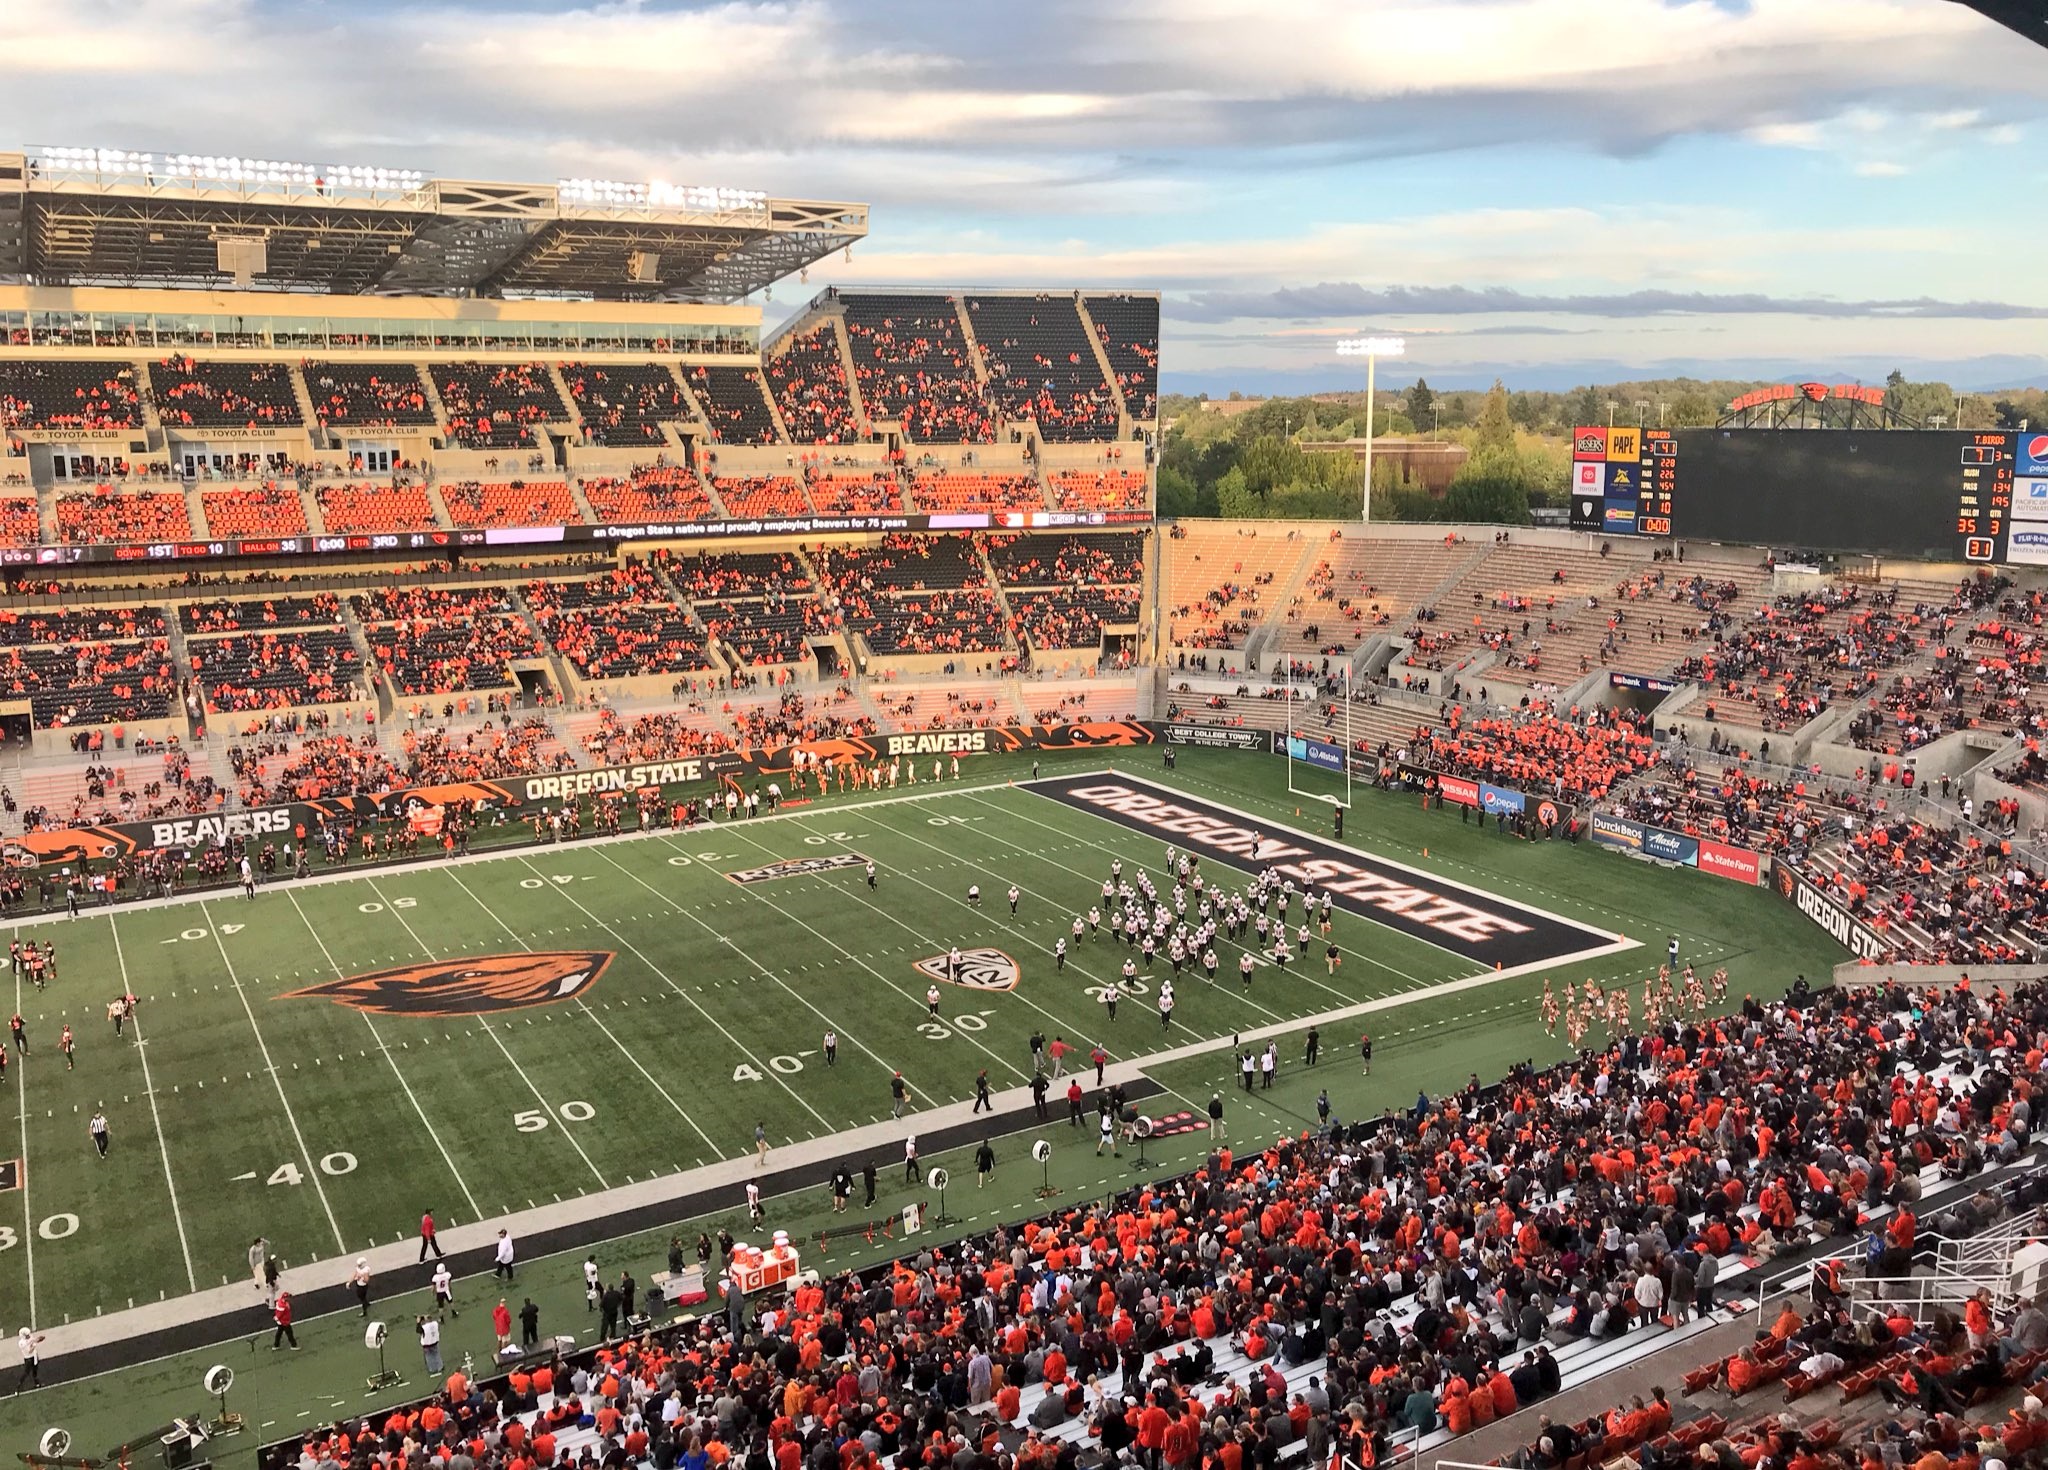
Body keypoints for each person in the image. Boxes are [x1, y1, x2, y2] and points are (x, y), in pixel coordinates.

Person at [15, 1326, 43, 1391]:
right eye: (27, 1335)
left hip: (34, 1356)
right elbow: (29, 1351)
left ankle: (37, 1383)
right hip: (29, 1358)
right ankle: (19, 1385)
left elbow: (33, 1340)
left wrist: (38, 1339)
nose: (29, 1336)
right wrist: (34, 1345)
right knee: (26, 1372)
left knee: (35, 1371)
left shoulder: (29, 1337)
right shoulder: (21, 1343)